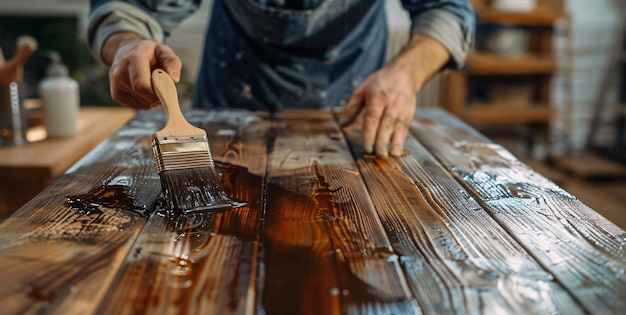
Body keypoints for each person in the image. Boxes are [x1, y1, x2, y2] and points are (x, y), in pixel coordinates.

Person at [87, 0, 475, 158]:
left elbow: (448, 8)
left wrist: (406, 72)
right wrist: (126, 44)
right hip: (226, 112)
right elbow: (130, 8)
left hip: (352, 117)